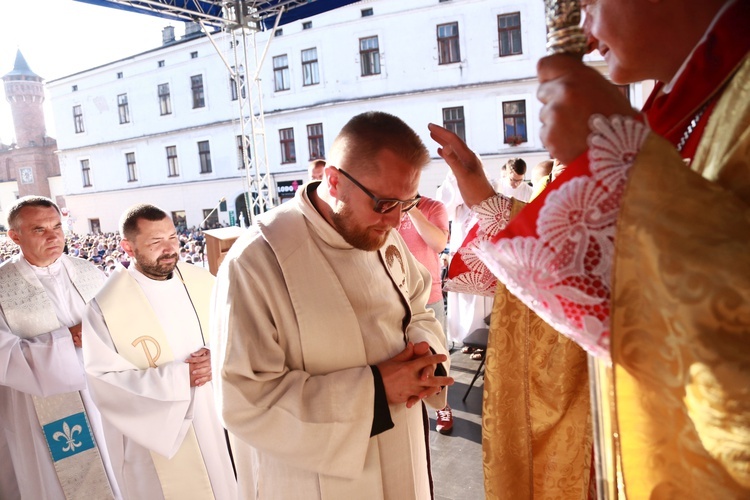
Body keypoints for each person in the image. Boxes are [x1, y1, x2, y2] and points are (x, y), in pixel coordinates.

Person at [430, 0, 750, 496]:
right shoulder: (680, 105)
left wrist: (623, 157)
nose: (584, 27)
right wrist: (485, 196)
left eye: (587, 3)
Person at [212, 111, 453, 499]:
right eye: (384, 203)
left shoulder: (381, 234)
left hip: (402, 447)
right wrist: (375, 391)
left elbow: (418, 307)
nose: (394, 221)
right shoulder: (259, 260)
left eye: (406, 205)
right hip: (320, 479)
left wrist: (427, 357)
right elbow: (244, 398)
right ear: (335, 181)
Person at [82, 204, 237, 500]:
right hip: (162, 435)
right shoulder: (105, 308)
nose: (169, 249)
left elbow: (240, 333)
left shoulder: (203, 282)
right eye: (155, 242)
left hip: (221, 421)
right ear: (127, 247)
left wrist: (217, 357)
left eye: (173, 238)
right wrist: (181, 377)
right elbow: (104, 384)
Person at [0, 196, 120, 499]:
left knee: (113, 472)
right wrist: (68, 340)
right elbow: (4, 355)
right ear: (15, 236)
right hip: (37, 407)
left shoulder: (91, 272)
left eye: (57, 226)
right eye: (39, 229)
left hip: (101, 398)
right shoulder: (3, 285)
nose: (54, 236)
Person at [397, 196, 453, 434]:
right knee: (399, 356)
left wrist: (411, 209)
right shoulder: (381, 204)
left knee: (437, 356)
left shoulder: (433, 207)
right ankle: (409, 412)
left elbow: (439, 243)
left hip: (429, 296)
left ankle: (442, 405)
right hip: (393, 296)